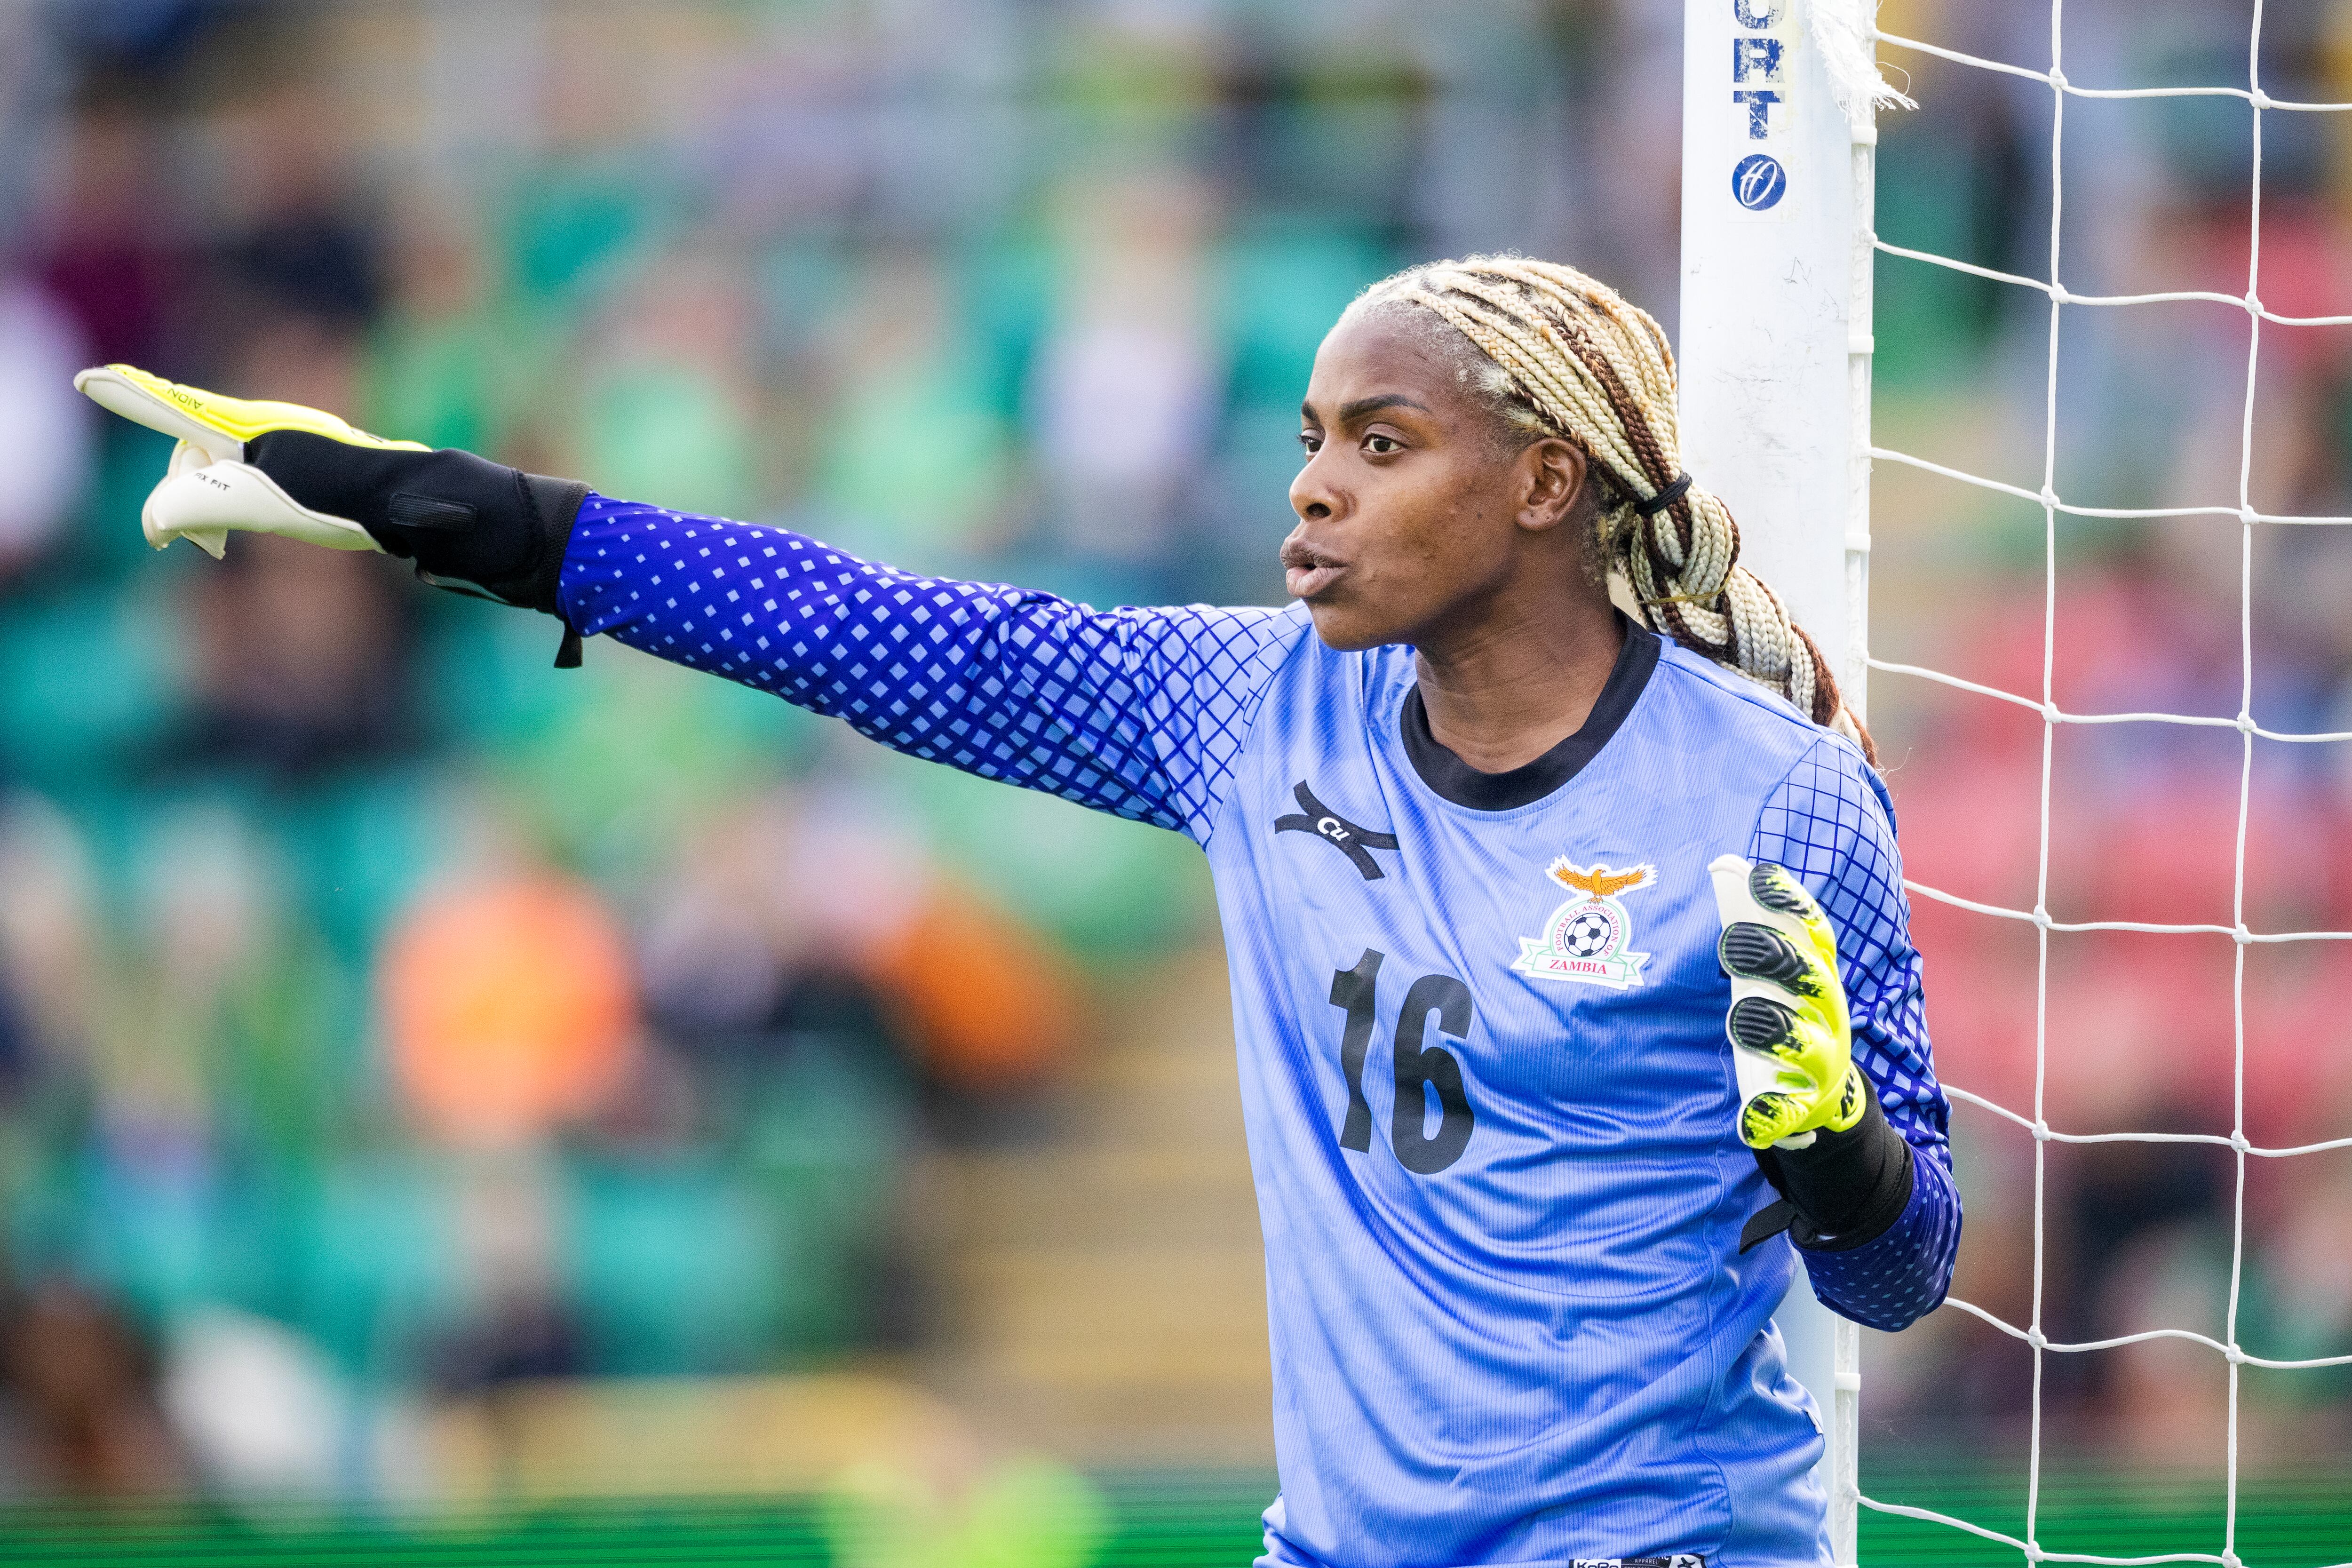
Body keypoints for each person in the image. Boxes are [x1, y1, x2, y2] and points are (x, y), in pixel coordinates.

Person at [80, 254, 1959, 1568]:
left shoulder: (1773, 794)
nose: (1311, 490)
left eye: (1380, 445)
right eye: (1311, 436)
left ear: (1546, 482)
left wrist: (1835, 1155)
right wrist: (435, 507)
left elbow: (1899, 1270)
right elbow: (850, 628)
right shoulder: (1247, 707)